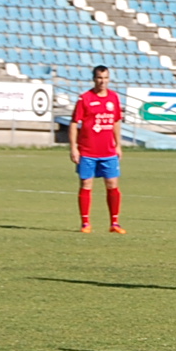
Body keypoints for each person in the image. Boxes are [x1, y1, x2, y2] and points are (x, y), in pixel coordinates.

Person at [69, 65, 124, 234]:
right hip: (88, 150)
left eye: (106, 78)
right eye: (100, 78)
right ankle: (85, 223)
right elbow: (73, 123)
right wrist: (73, 148)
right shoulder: (84, 99)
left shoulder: (114, 98)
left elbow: (115, 121)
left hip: (108, 151)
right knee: (86, 184)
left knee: (112, 184)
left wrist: (118, 145)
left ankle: (114, 223)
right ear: (94, 79)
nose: (103, 81)